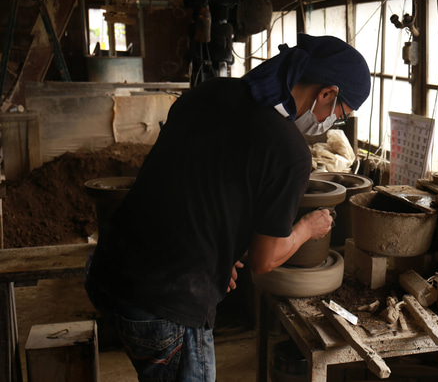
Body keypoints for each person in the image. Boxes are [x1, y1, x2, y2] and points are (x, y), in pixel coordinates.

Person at [84, 33, 371, 381]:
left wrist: (218, 252)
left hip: (109, 270)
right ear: (326, 93)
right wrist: (306, 229)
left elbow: (189, 186)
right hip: (165, 301)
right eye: (339, 114)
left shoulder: (210, 92)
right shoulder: (288, 150)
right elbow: (265, 260)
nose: (332, 124)